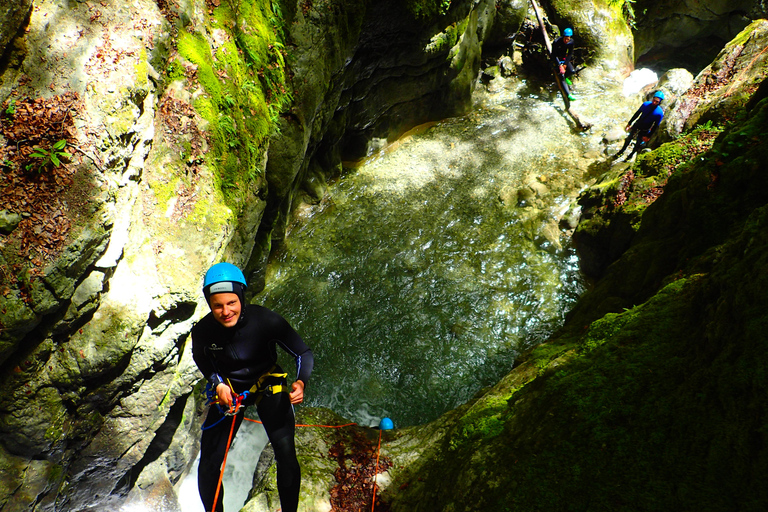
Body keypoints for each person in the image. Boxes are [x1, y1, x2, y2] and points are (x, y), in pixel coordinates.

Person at [191, 262, 314, 512]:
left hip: (267, 385)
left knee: (285, 453)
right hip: (230, 392)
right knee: (208, 467)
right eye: (218, 305)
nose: (226, 311)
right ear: (209, 304)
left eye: (232, 303)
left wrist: (301, 381)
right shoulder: (203, 332)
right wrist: (217, 384)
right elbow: (201, 358)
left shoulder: (266, 321)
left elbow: (302, 352)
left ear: (241, 298)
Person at [614, 90, 666, 162]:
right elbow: (637, 114)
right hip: (637, 125)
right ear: (652, 98)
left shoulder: (659, 113)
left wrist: (648, 136)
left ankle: (630, 155)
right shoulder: (645, 105)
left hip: (645, 130)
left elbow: (655, 126)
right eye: (654, 100)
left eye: (657, 101)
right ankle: (621, 151)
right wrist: (629, 123)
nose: (654, 102)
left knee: (638, 144)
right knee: (628, 139)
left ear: (660, 102)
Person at [551, 27, 576, 101]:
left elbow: (570, 54)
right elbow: (553, 55)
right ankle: (568, 94)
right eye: (565, 38)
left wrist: (565, 64)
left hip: (563, 59)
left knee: (572, 71)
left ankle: (566, 77)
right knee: (561, 76)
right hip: (556, 60)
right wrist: (559, 65)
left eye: (567, 39)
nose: (566, 40)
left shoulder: (571, 42)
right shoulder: (556, 42)